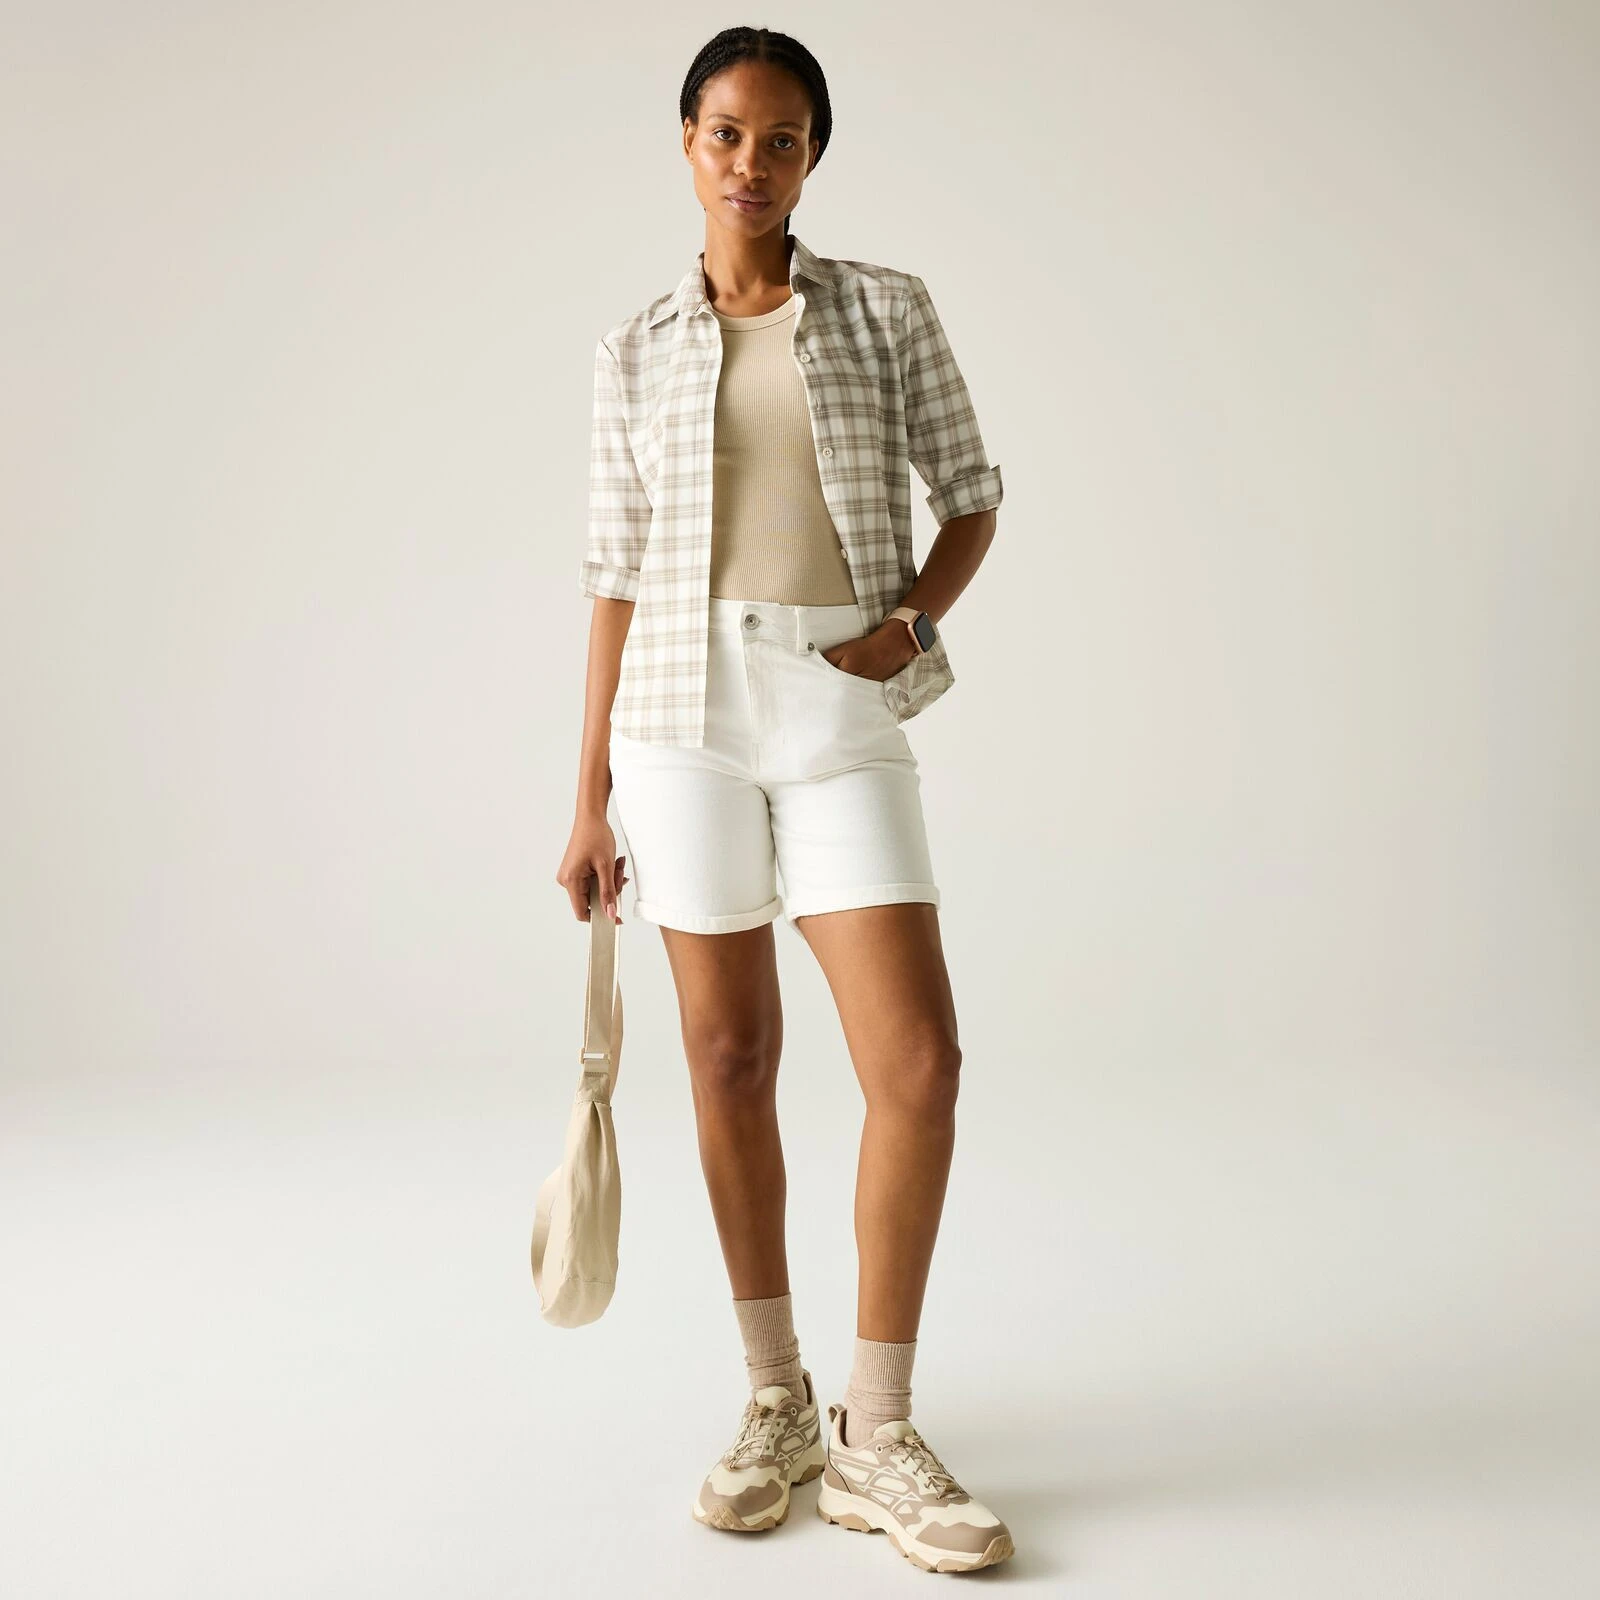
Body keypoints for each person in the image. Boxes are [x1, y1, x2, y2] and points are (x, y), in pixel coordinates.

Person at [556, 26, 1013, 1575]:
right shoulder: (633, 349)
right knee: (728, 1054)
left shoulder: (887, 309)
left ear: (814, 156)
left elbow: (974, 495)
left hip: (835, 698)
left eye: (784, 139)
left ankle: (875, 1429)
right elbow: (614, 578)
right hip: (677, 720)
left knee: (919, 1062)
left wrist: (912, 624)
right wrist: (587, 795)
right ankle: (774, 1398)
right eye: (728, 133)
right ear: (686, 142)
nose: (752, 163)